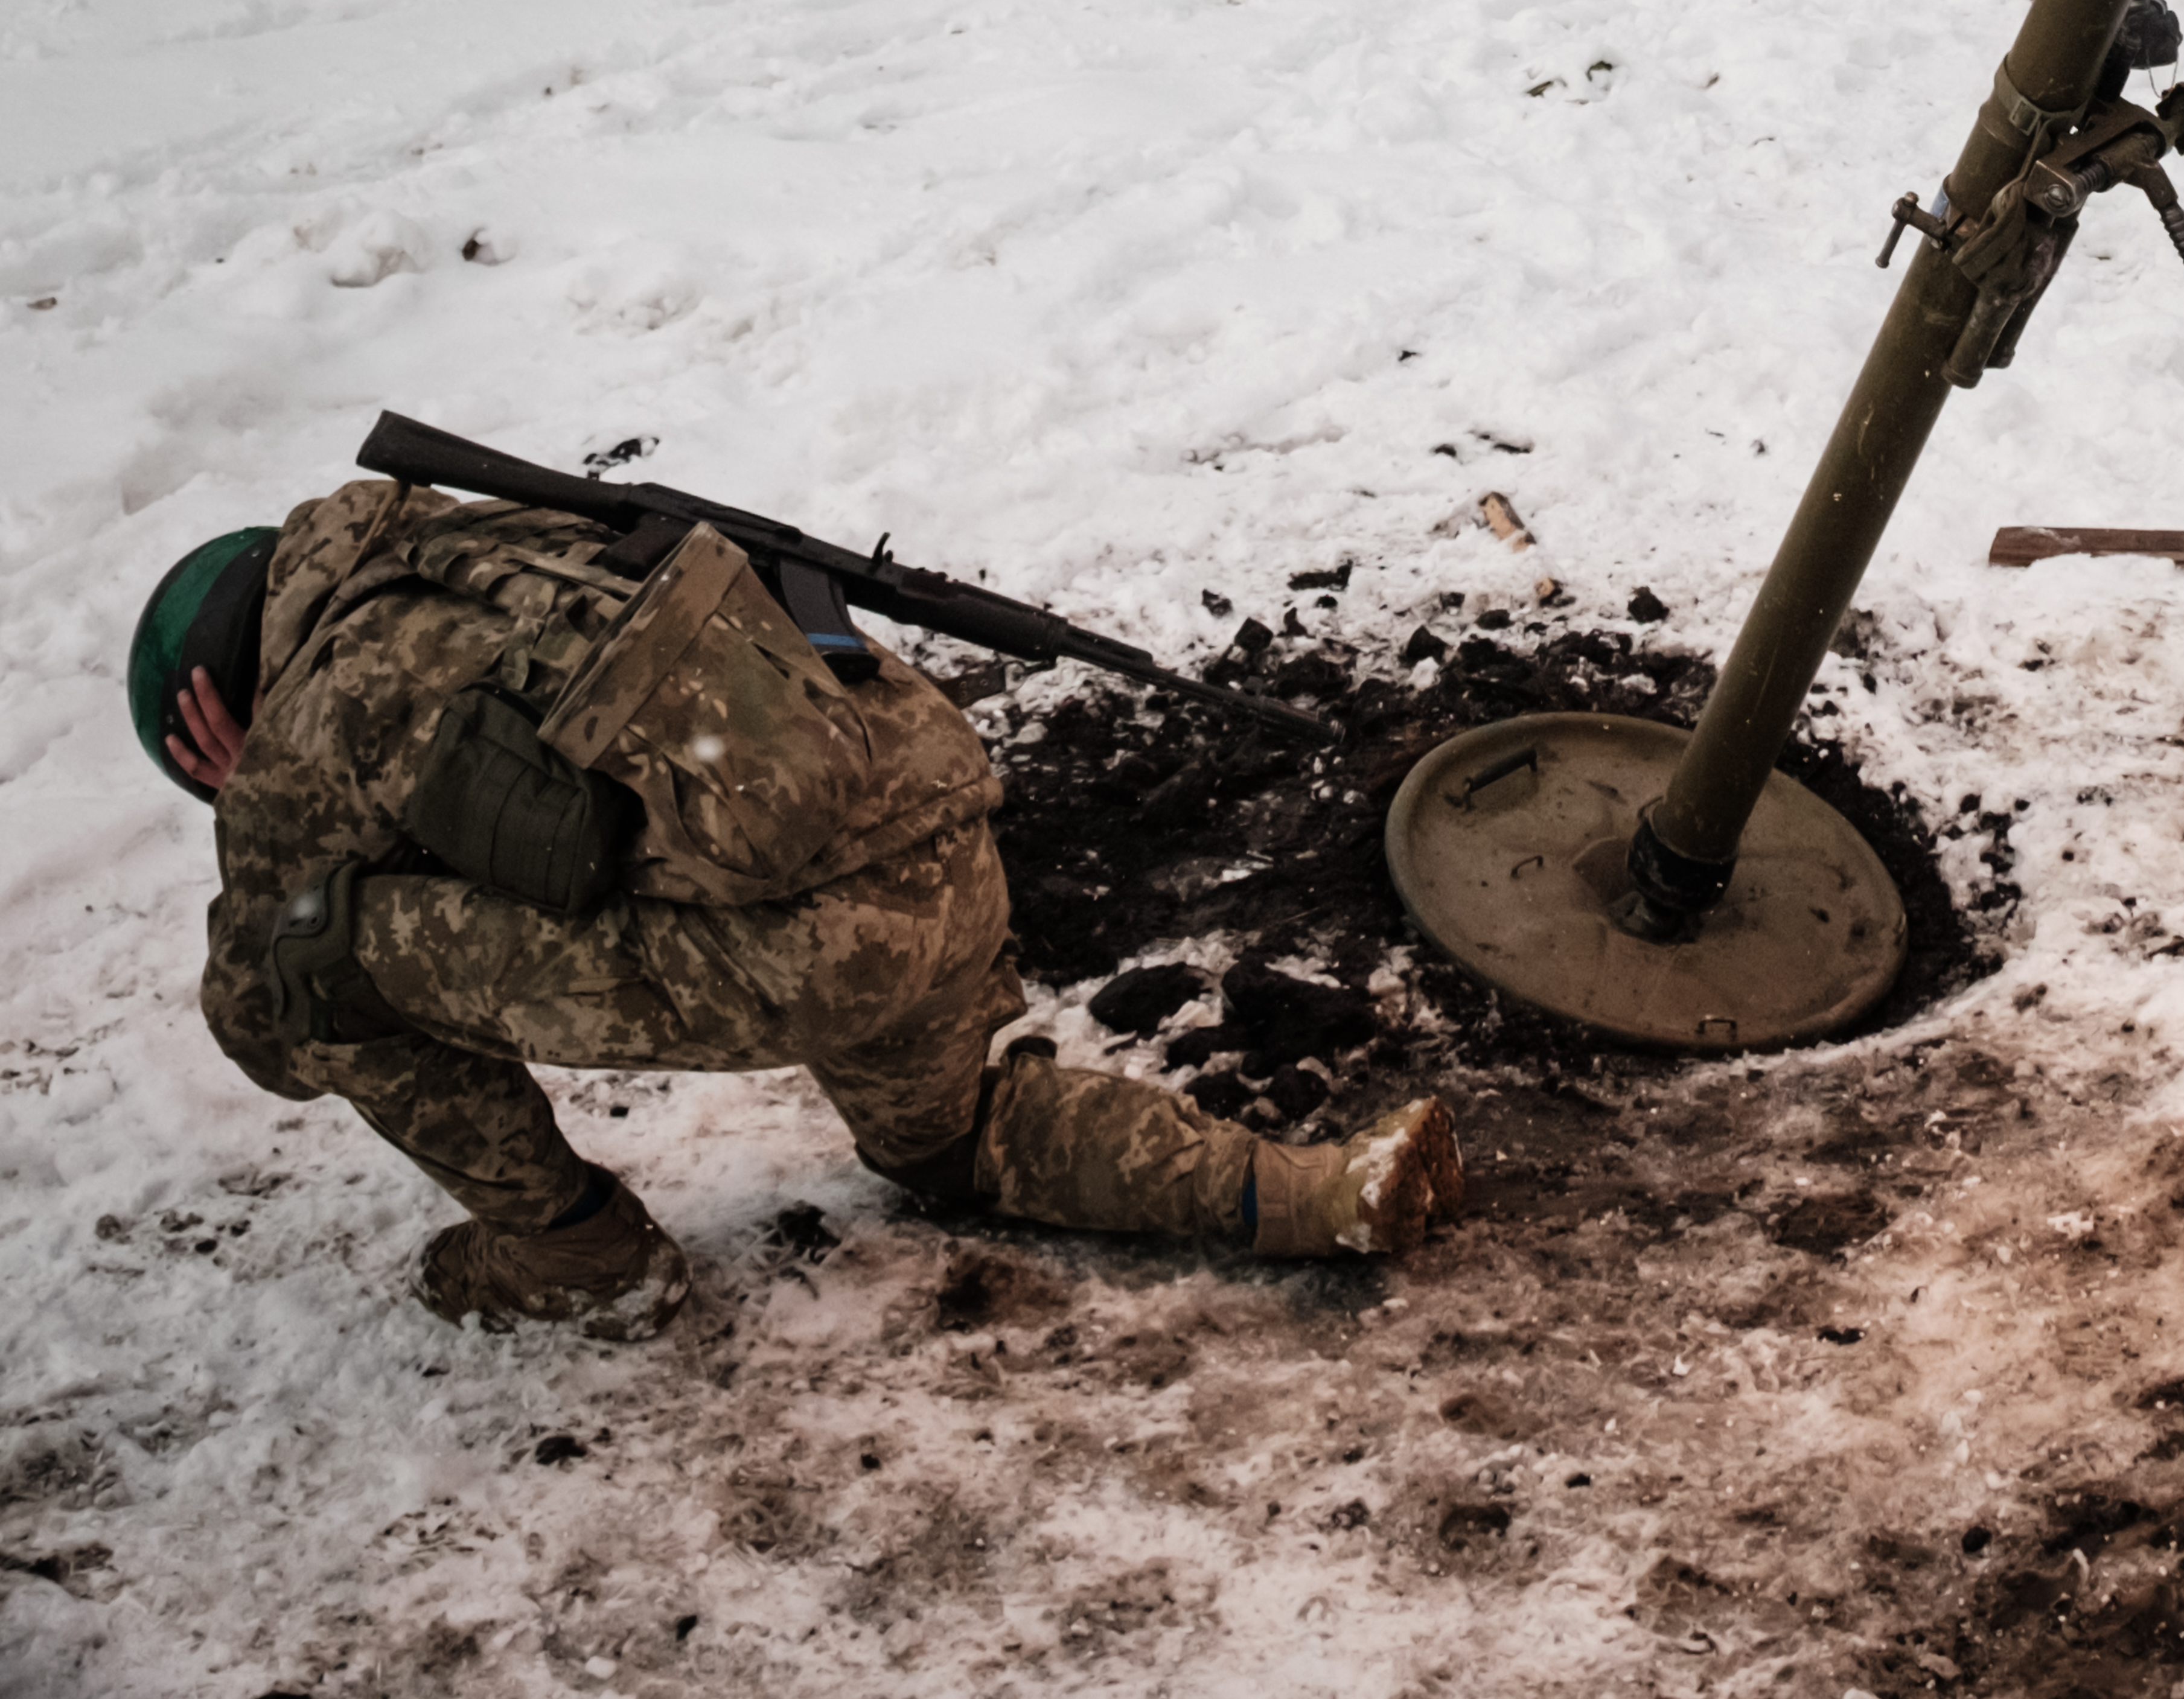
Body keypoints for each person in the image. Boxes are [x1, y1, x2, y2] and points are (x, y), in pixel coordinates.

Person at [131, 474, 1462, 1340]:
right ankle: (1308, 1194)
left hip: (805, 942)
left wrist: (267, 814)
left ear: (211, 704)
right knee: (955, 1144)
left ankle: (575, 1258)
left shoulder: (309, 718)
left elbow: (264, 1032)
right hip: (940, 834)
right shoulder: (496, 536)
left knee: (328, 956)